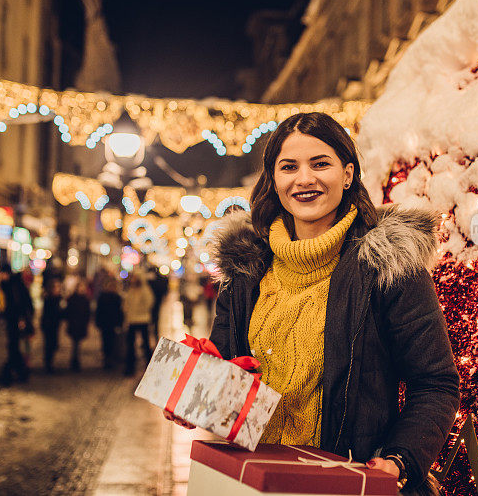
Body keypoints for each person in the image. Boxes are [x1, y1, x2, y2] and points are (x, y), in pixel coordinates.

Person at [169, 113, 460, 495]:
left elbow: (435, 382)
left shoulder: (387, 264)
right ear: (273, 180)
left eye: (320, 163)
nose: (304, 179)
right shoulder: (244, 268)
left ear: (348, 174)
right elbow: (226, 373)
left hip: (343, 482)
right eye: (289, 167)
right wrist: (194, 394)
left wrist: (399, 460)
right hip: (250, 480)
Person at [0, 265, 33, 386]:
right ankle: (20, 373)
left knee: (13, 347)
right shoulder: (4, 285)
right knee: (13, 347)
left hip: (16, 321)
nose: (0, 276)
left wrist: (22, 319)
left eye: (2, 274)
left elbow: (22, 303)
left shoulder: (15, 285)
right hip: (11, 320)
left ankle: (8, 375)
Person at [122, 272, 154, 376]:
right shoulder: (131, 290)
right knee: (130, 344)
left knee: (146, 344)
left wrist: (140, 310)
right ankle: (130, 367)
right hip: (132, 320)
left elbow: (149, 303)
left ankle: (149, 365)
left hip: (143, 319)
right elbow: (126, 304)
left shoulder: (145, 290)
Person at [95, 277, 124, 369]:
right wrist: (98, 322)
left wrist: (119, 323)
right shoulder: (102, 297)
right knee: (105, 342)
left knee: (113, 342)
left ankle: (111, 360)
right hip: (105, 323)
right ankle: (107, 360)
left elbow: (120, 312)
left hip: (113, 324)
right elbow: (99, 311)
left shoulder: (117, 297)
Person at [65, 279, 91, 372]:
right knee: (75, 344)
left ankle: (75, 361)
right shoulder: (72, 298)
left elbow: (87, 313)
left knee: (77, 344)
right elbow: (68, 312)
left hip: (81, 325)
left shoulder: (85, 299)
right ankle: (74, 362)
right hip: (74, 324)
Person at [40, 278, 64, 373]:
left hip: (55, 325)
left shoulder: (59, 298)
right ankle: (48, 364)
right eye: (56, 287)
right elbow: (50, 313)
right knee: (49, 345)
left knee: (54, 344)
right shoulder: (49, 299)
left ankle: (49, 363)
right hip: (48, 325)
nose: (57, 289)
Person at [147, 269, 169, 340]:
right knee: (155, 318)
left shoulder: (151, 281)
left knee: (153, 318)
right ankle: (155, 332)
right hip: (157, 301)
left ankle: (154, 332)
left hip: (155, 301)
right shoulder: (159, 280)